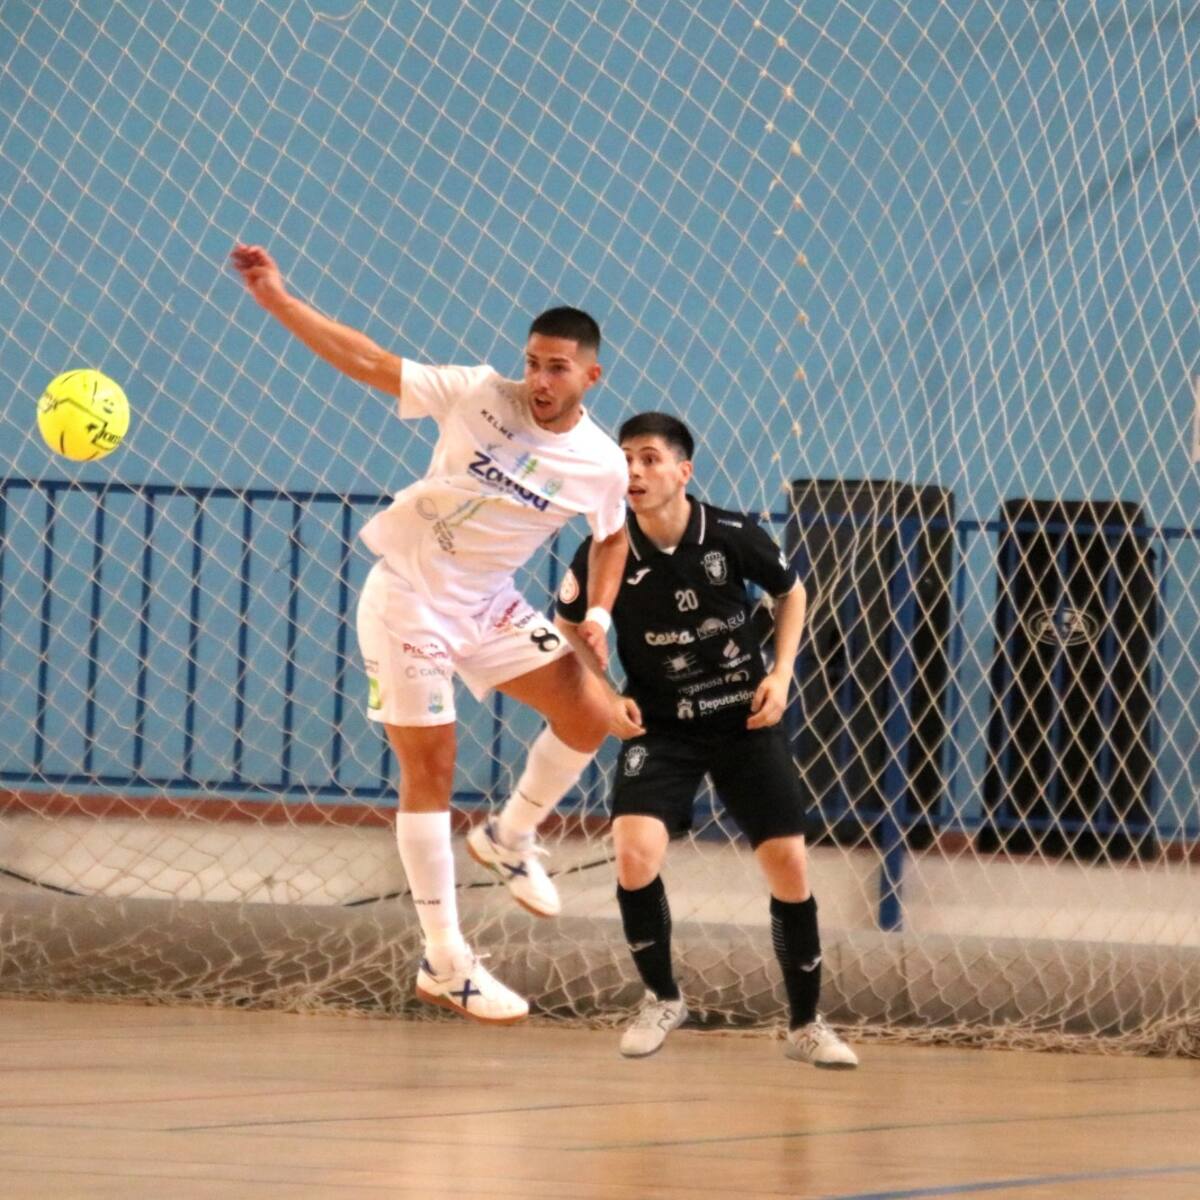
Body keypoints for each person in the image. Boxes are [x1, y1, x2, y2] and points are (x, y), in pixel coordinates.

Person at [230, 243, 628, 1024]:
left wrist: (599, 615)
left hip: (489, 604)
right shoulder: (477, 393)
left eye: (556, 368)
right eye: (532, 362)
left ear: (590, 377)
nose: (538, 381)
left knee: (591, 714)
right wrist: (279, 299)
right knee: (433, 764)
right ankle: (446, 960)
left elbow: (611, 536)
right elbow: (370, 360)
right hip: (409, 596)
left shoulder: (601, 463)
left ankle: (510, 835)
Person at [553, 412, 858, 1066]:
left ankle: (806, 1025)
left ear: (683, 472)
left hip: (743, 719)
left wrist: (781, 675)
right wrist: (605, 699)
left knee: (790, 866)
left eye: (649, 460)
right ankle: (663, 997)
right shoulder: (603, 549)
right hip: (661, 725)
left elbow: (792, 592)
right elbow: (566, 624)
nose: (634, 472)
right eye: (625, 460)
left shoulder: (732, 534)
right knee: (634, 852)